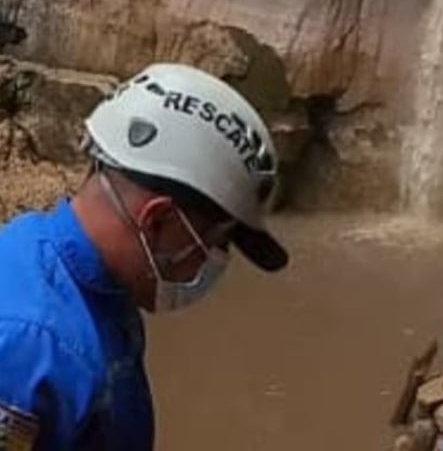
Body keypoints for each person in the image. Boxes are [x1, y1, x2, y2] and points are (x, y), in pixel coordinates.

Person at [0, 62, 288, 451]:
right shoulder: (27, 345)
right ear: (157, 219)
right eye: (215, 245)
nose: (211, 265)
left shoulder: (92, 285)